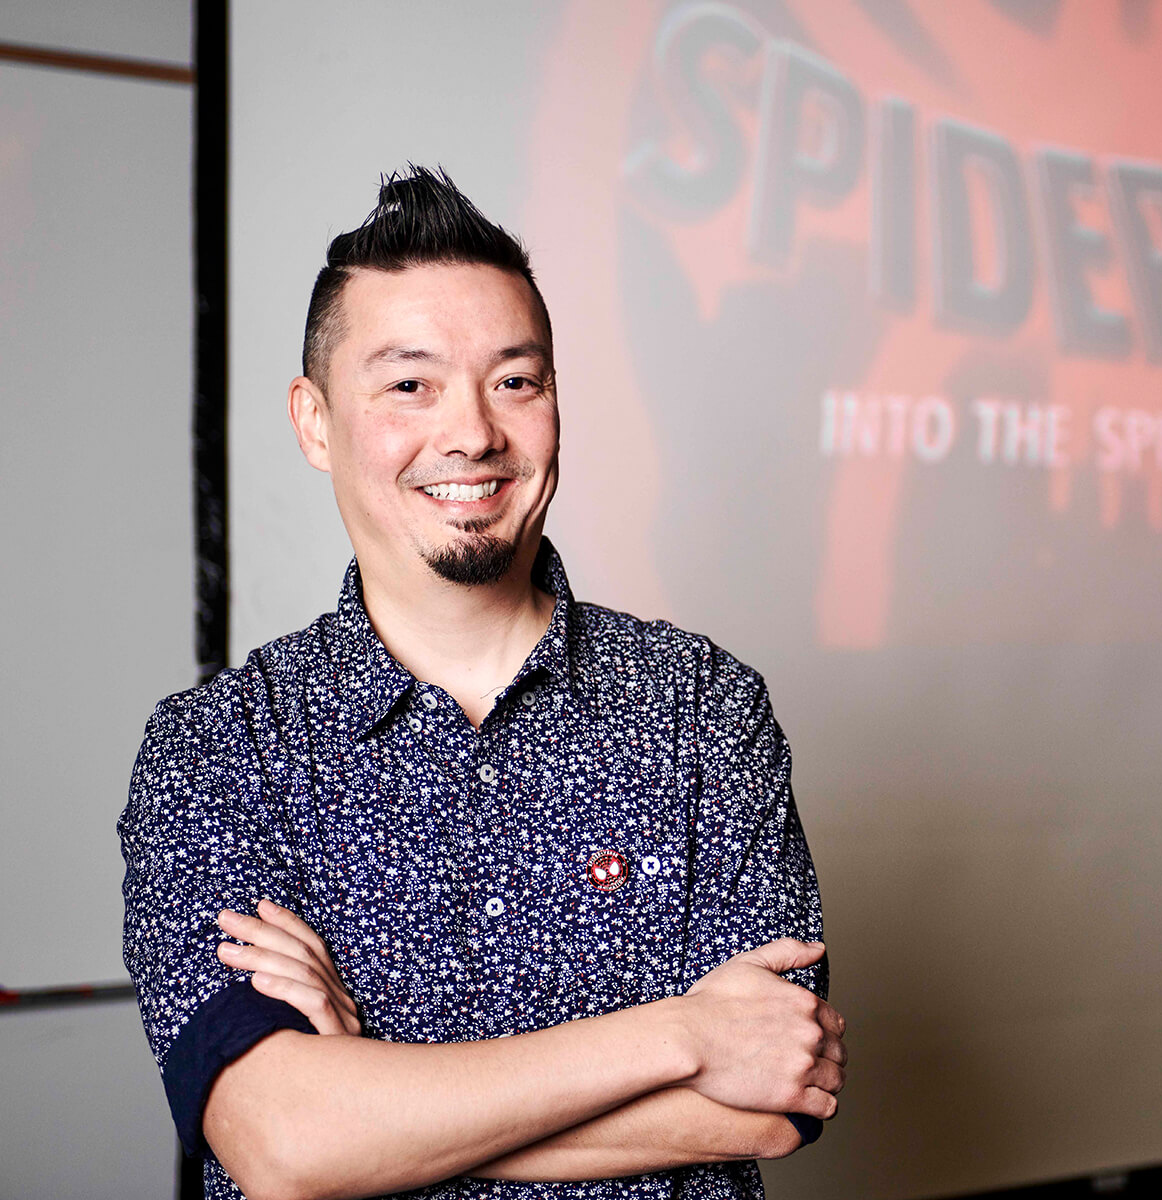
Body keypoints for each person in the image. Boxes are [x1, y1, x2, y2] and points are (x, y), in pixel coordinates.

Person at [119, 166, 845, 1200]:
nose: (473, 434)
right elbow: (281, 1143)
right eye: (409, 384)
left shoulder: (702, 708)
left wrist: (373, 1102)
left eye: (516, 380)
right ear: (315, 421)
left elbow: (771, 1096)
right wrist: (682, 1035)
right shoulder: (220, 750)